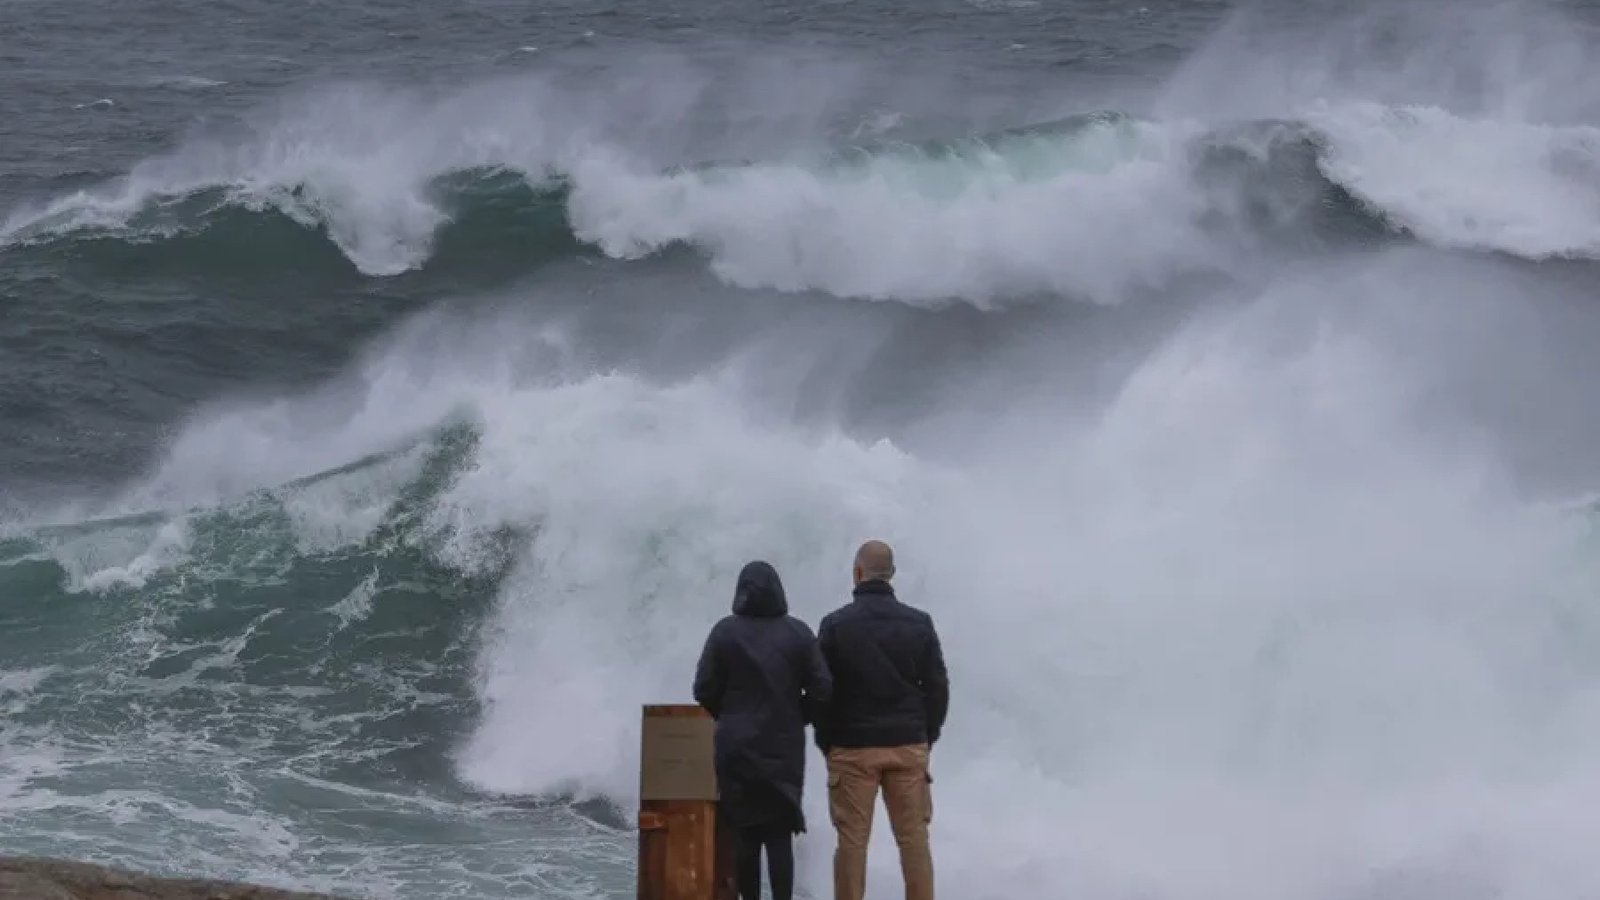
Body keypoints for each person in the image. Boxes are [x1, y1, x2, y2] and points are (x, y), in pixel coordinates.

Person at [815, 540, 948, 900]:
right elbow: (937, 687)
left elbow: (821, 690)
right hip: (907, 745)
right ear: (891, 576)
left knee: (852, 843)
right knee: (914, 841)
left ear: (858, 573)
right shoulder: (919, 623)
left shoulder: (834, 625)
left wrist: (827, 741)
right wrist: (925, 736)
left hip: (852, 748)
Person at [693, 560, 833, 900]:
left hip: (735, 746)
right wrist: (798, 716)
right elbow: (824, 688)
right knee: (779, 833)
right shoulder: (798, 633)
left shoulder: (725, 632)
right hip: (782, 747)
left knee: (745, 833)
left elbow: (703, 689)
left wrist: (728, 715)